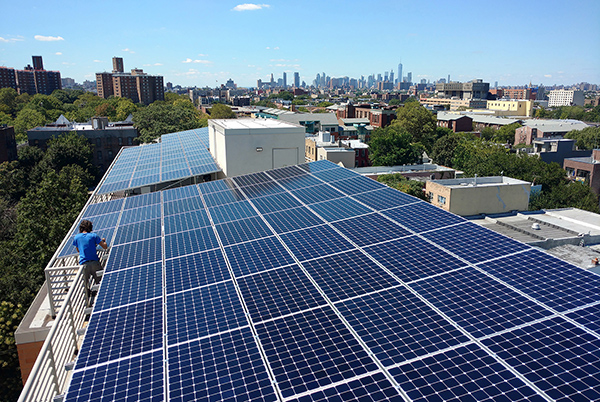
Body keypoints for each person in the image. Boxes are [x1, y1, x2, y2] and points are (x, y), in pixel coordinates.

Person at [73, 220, 108, 297]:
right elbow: (105, 247)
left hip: (83, 264)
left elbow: (78, 249)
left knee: (85, 285)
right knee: (101, 283)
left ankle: (88, 300)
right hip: (94, 262)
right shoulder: (93, 236)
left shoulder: (77, 237)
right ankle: (101, 297)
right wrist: (103, 241)